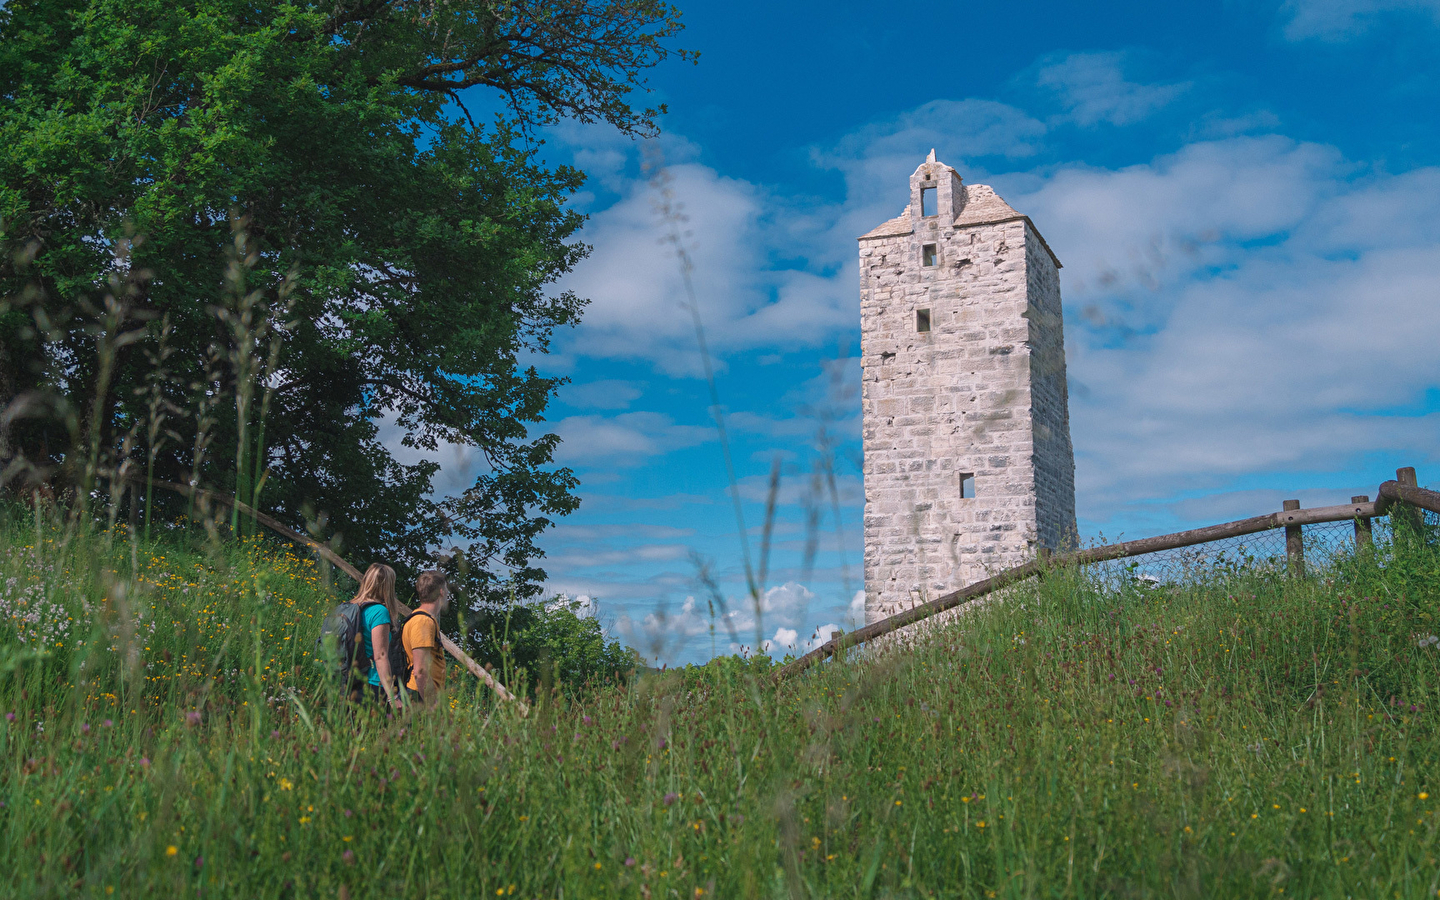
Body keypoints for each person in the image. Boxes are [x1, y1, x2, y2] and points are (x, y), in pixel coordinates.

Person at [350, 563, 403, 708]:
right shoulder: (379, 612)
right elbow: (380, 656)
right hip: (372, 684)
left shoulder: (351, 607)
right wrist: (392, 697)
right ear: (387, 587)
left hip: (348, 683)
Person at [402, 570, 451, 707]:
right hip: (420, 695)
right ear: (441, 592)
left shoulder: (420, 617)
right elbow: (420, 670)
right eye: (446, 589)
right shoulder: (423, 622)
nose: (447, 593)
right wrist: (431, 704)